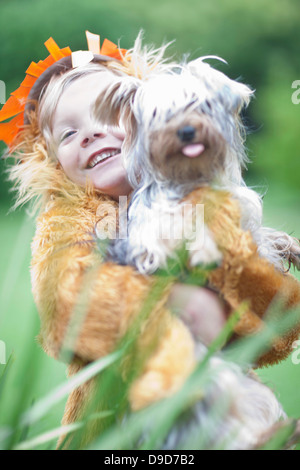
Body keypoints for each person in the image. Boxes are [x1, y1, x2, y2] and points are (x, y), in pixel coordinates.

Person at [0, 32, 227, 447]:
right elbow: (68, 308)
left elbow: (247, 297)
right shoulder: (69, 225)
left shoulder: (186, 196)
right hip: (118, 428)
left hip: (212, 416)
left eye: (106, 116)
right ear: (53, 163)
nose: (87, 135)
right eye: (68, 134)